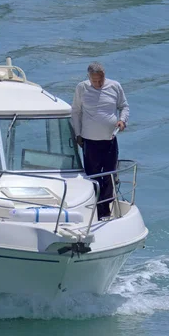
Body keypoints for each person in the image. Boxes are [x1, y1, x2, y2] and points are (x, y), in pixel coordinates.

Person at [71, 62, 129, 220]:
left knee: (109, 175)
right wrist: (78, 134)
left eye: (100, 80)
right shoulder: (81, 88)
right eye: (94, 81)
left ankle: (105, 211)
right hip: (89, 141)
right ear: (89, 77)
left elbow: (124, 106)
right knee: (93, 176)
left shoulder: (114, 86)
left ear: (104, 75)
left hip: (109, 139)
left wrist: (122, 120)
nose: (98, 84)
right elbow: (75, 112)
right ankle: (95, 210)